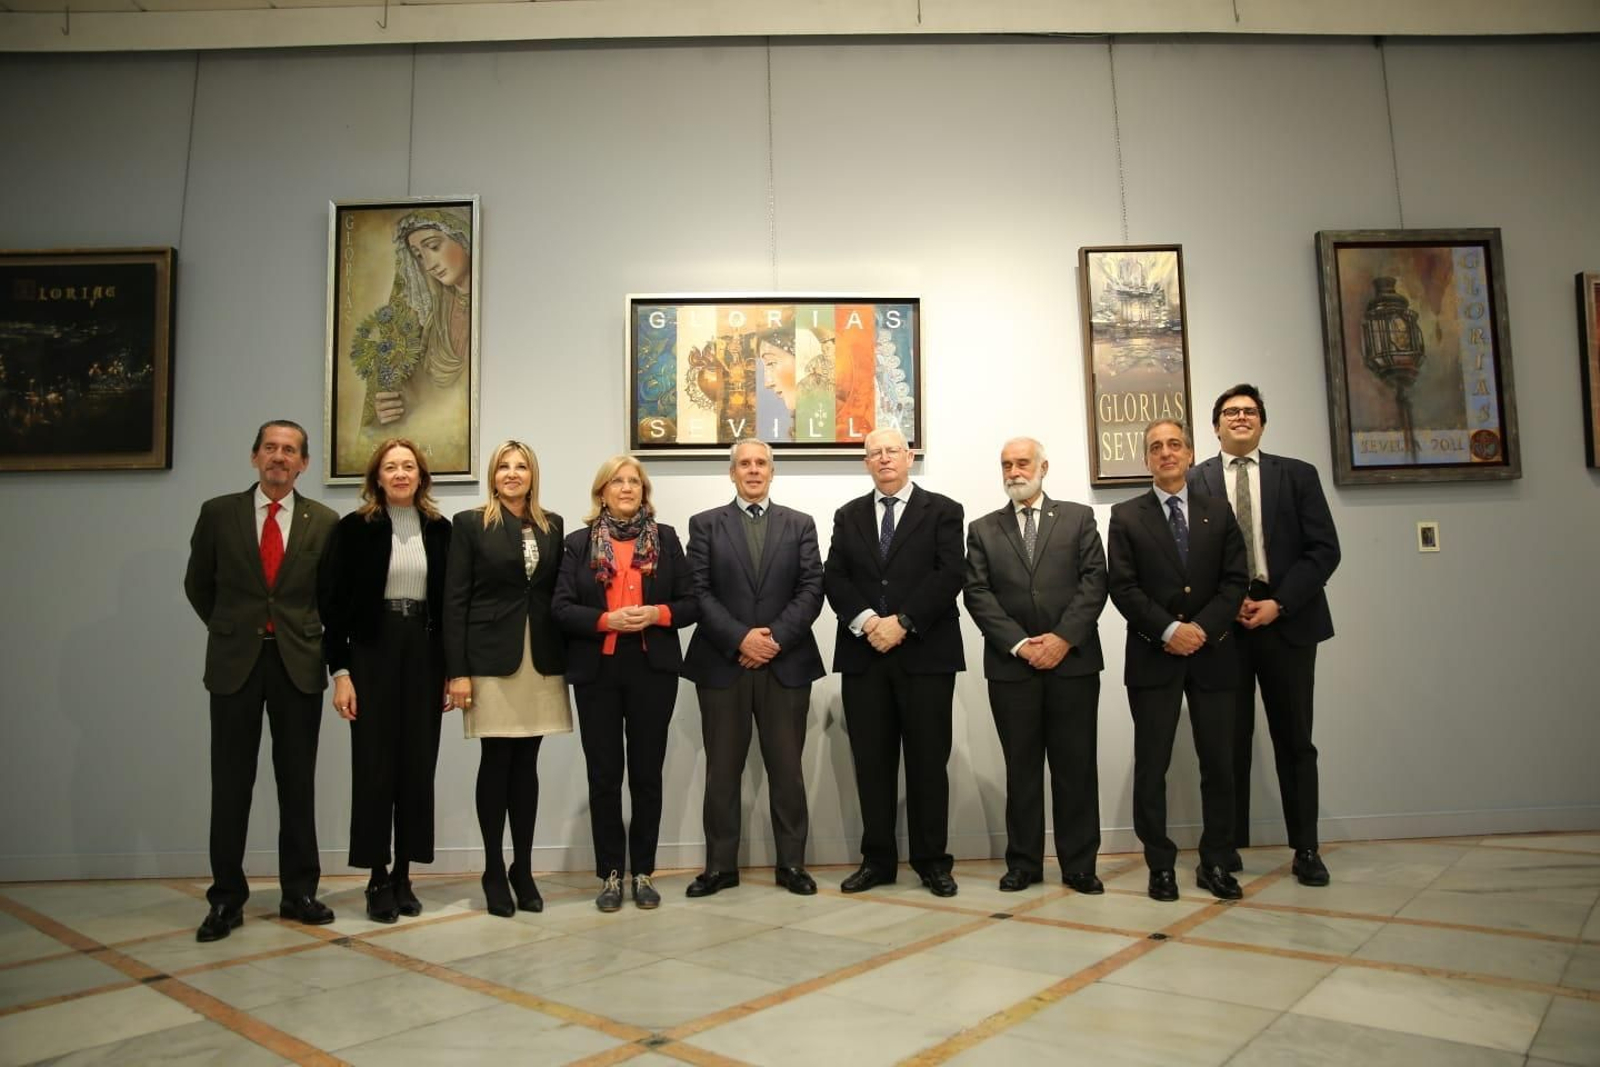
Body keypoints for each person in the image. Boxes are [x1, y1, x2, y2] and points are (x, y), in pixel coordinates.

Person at [184, 420, 339, 942]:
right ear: (254, 457)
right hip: (235, 664)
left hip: (298, 664)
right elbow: (198, 585)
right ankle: (226, 899)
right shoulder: (218, 513)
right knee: (231, 785)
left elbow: (331, 596)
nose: (279, 457)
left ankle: (299, 892)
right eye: (270, 448)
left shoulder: (325, 521)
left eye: (290, 450)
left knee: (297, 784)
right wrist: (232, 629)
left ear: (304, 464)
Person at [1189, 384, 1341, 886]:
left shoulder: (1297, 475)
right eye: (1229, 412)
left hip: (1288, 624)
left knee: (1295, 741)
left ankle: (1306, 849)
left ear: (1262, 423)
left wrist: (1280, 603)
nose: (1239, 418)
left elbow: (1324, 550)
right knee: (1225, 742)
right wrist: (1221, 609)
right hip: (1222, 631)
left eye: (1249, 412)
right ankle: (1226, 846)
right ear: (1215, 426)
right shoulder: (1194, 481)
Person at [1108, 420, 1249, 902]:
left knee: (1220, 763)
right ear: (1146, 460)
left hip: (1213, 655)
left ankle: (1216, 860)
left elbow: (1235, 581)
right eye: (1155, 448)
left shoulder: (1218, 511)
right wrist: (1168, 629)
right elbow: (1122, 587)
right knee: (1152, 765)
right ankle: (1160, 864)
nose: (1166, 453)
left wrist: (1200, 629)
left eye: (1174, 445)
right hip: (1153, 655)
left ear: (1190, 454)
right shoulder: (1126, 516)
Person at [823, 427, 966, 897]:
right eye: (874, 453)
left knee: (928, 762)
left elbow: (950, 575)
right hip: (865, 657)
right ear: (866, 463)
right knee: (872, 764)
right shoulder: (848, 515)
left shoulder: (944, 510)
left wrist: (902, 622)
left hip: (925, 654)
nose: (884, 459)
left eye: (892, 451)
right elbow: (835, 577)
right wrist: (868, 622)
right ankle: (877, 860)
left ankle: (932, 862)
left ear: (909, 457)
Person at [553, 455, 699, 912]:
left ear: (644, 491)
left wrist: (659, 614)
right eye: (617, 481)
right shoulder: (577, 543)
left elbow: (693, 601)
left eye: (634, 481)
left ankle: (644, 872)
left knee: (646, 775)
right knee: (604, 777)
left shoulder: (667, 538)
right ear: (602, 491)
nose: (626, 487)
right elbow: (559, 608)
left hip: (651, 668)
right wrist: (603, 619)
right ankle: (610, 874)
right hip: (597, 671)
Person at [963, 437, 1108, 894]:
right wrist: (1022, 644)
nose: (1014, 471)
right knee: (1021, 770)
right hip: (1013, 668)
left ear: (1044, 465)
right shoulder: (983, 529)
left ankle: (1080, 864)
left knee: (1076, 768)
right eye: (1006, 464)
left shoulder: (1078, 518)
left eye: (1022, 462)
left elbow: (1095, 581)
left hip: (1073, 663)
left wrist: (1062, 639)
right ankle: (1023, 862)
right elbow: (977, 594)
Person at [682, 440, 826, 897]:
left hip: (786, 663)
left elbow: (811, 589)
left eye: (761, 463)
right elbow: (698, 591)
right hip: (724, 662)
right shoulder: (705, 525)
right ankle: (720, 867)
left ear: (772, 471)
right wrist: (741, 638)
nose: (753, 470)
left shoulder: (800, 524)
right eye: (744, 464)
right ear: (731, 474)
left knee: (787, 770)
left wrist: (773, 639)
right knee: (721, 771)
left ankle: (792, 865)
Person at [324, 439, 451, 923]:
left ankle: (403, 874)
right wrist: (341, 673)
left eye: (409, 467)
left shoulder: (441, 531)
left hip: (424, 650)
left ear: (422, 476)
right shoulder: (354, 529)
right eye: (390, 467)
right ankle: (376, 876)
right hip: (372, 651)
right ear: (377, 477)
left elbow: (451, 606)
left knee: (418, 766)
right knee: (375, 765)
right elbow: (332, 608)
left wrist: (451, 670)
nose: (400, 474)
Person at [443, 440, 570, 917]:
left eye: (521, 467)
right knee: (496, 763)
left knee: (527, 767)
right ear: (493, 476)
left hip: (540, 660)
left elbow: (558, 593)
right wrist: (457, 671)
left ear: (532, 474)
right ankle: (494, 869)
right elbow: (454, 600)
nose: (513, 474)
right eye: (504, 467)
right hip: (490, 661)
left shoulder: (552, 524)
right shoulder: (471, 524)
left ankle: (523, 868)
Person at [345, 208, 473, 474]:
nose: (428, 264)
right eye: (418, 254)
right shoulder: (427, 319)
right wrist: (387, 408)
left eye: (434, 246)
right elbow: (416, 390)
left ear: (463, 237)